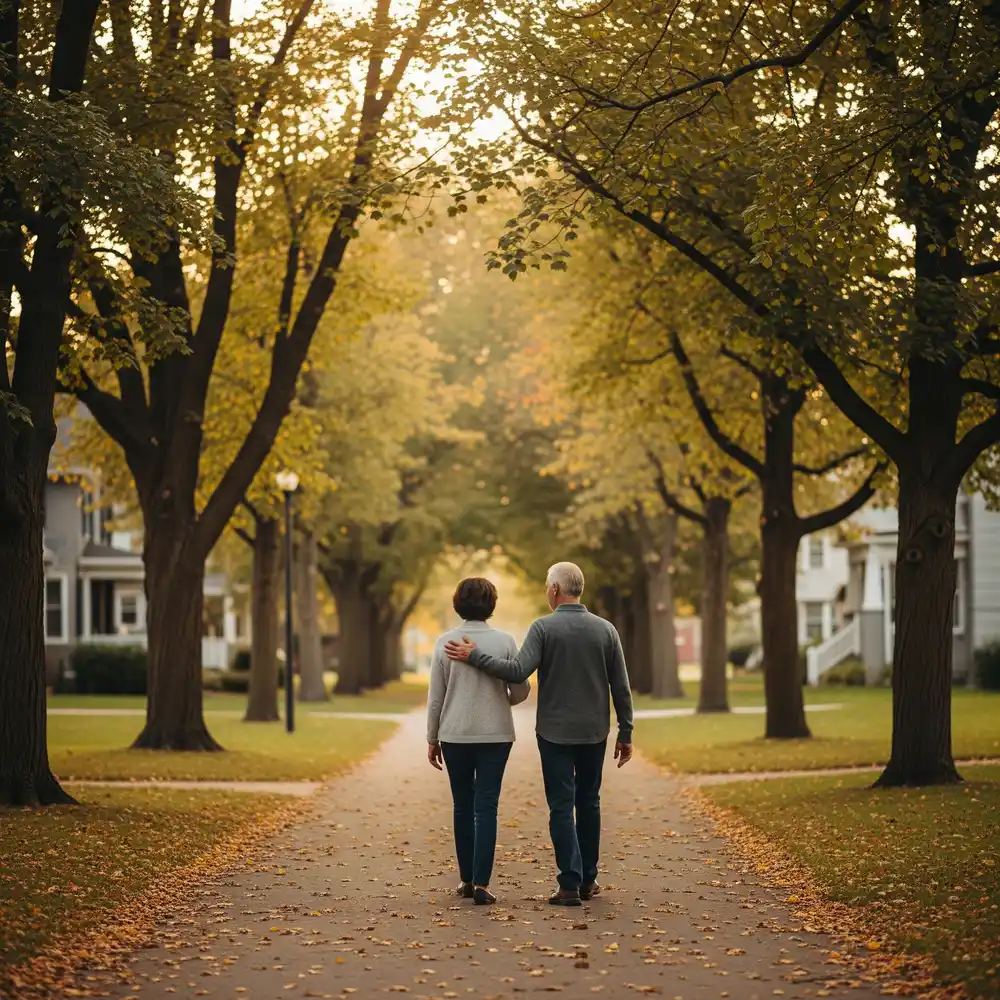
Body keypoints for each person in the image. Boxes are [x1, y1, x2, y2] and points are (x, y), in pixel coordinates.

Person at [444, 561, 634, 908]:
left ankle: (569, 885)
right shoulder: (606, 630)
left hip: (554, 734)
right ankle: (588, 879)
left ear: (555, 590)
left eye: (548, 586)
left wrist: (474, 656)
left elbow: (518, 671)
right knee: (589, 802)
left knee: (562, 805)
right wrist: (626, 730)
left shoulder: (543, 629)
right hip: (594, 732)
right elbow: (620, 685)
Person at [426, 577, 530, 906]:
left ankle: (467, 879)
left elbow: (436, 698)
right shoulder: (505, 642)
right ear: (492, 604)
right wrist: (500, 701)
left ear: (458, 604)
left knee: (462, 805)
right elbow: (521, 689)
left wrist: (432, 737)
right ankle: (483, 883)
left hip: (454, 734)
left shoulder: (445, 641)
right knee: (486, 807)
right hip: (496, 734)